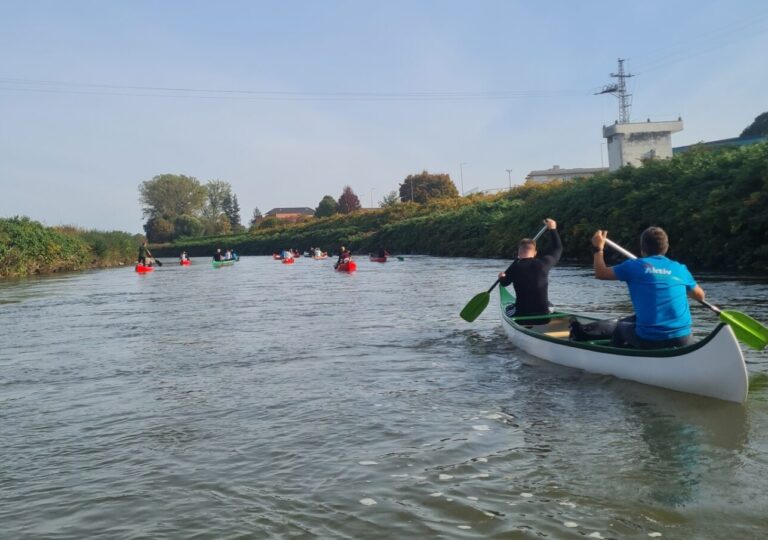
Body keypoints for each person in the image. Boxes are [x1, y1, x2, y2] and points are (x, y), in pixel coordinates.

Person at [591, 226, 706, 349]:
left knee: (620, 327)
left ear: (642, 249)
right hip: (683, 338)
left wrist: (598, 248)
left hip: (650, 339)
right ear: (666, 247)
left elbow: (600, 273)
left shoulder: (633, 266)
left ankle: (615, 358)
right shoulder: (680, 269)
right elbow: (700, 296)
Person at [497, 218, 562, 320]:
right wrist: (553, 229)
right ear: (535, 252)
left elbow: (504, 283)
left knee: (508, 309)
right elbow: (558, 248)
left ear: (518, 252)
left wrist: (501, 277)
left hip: (521, 314)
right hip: (544, 314)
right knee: (550, 304)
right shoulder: (544, 263)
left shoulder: (514, 267)